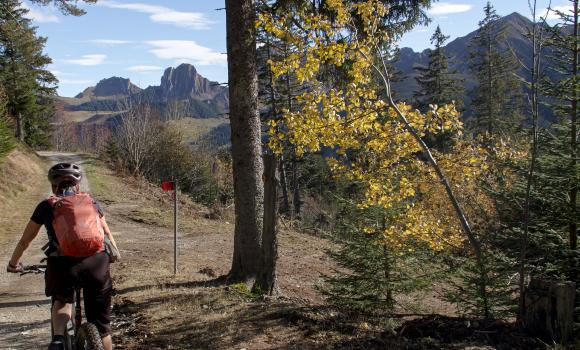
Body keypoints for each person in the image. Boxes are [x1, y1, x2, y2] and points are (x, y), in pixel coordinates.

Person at [6, 163, 119, 350]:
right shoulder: (91, 202)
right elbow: (107, 234)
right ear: (78, 185)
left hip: (63, 264)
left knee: (62, 301)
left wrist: (13, 264)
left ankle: (58, 339)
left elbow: (25, 241)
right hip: (97, 263)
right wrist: (113, 256)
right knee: (102, 329)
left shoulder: (46, 206)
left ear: (53, 186)